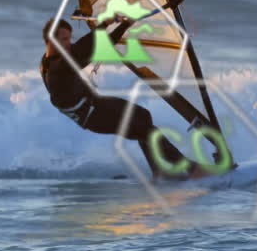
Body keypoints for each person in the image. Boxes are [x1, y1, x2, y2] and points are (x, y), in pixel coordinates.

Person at [40, 15, 208, 180]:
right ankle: (191, 169)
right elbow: (88, 46)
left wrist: (119, 25)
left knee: (143, 115)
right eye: (63, 40)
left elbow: (90, 46)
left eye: (69, 39)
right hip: (93, 116)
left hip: (96, 103)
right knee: (145, 130)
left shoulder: (51, 59)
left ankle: (159, 171)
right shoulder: (58, 67)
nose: (68, 44)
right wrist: (110, 24)